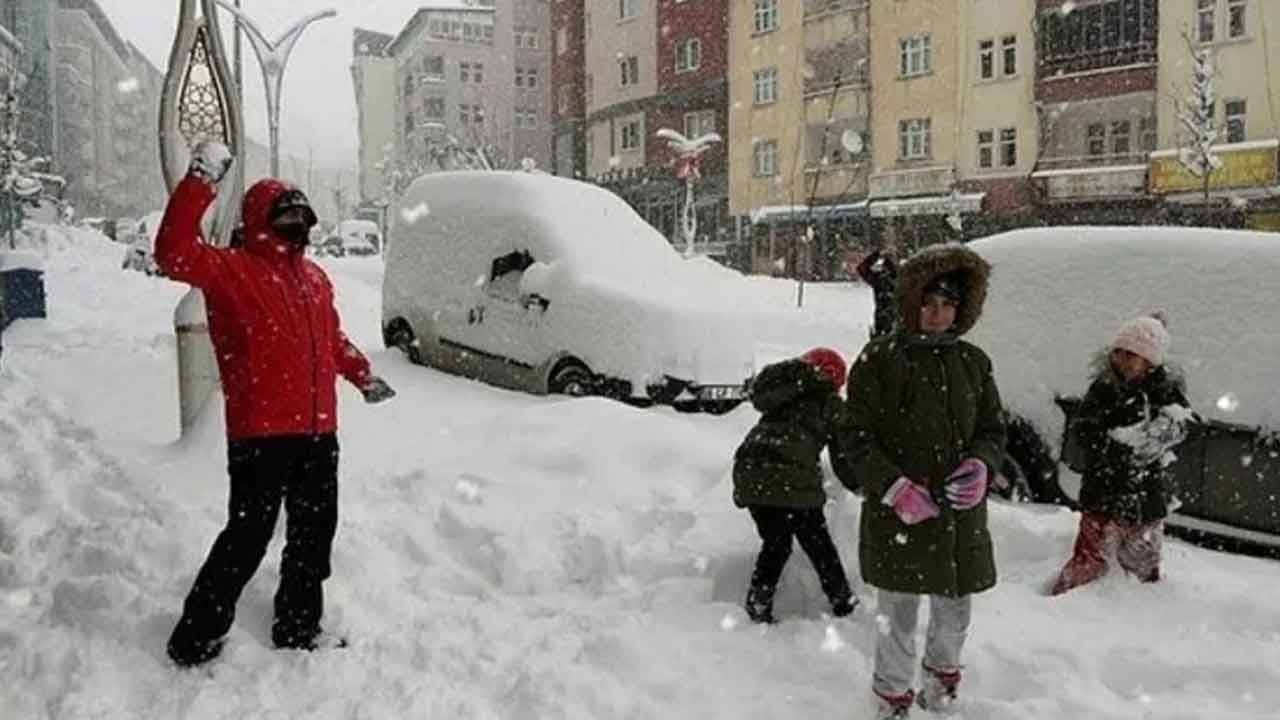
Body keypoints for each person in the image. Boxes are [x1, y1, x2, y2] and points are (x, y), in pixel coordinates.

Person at [156, 141, 397, 668]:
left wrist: (361, 374)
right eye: (284, 216)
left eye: (301, 217)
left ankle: (298, 626)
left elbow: (330, 339)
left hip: (317, 433)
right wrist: (200, 183)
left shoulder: (314, 279)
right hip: (261, 435)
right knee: (247, 538)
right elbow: (172, 253)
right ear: (261, 219)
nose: (296, 226)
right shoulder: (230, 270)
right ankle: (194, 639)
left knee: (313, 538)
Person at [842, 244, 1006, 718]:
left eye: (948, 304)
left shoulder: (974, 362)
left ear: (962, 308)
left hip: (958, 516)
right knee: (898, 612)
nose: (937, 315)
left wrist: (981, 465)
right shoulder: (879, 358)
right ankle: (893, 698)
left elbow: (992, 429)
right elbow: (854, 434)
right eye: (929, 303)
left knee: (955, 611)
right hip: (900, 513)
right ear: (912, 304)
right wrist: (894, 488)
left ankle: (942, 683)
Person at [1049, 313, 1191, 596]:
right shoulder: (1103, 388)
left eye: (1132, 355)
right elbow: (1084, 430)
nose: (1123, 361)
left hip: (1145, 493)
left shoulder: (1164, 391)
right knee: (1091, 551)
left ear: (1150, 362)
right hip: (1103, 487)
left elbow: (1185, 421)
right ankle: (1069, 597)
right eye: (1119, 353)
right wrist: (1117, 445)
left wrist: (1166, 431)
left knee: (1141, 557)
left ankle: (1141, 602)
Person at [732, 347, 858, 624]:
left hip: (750, 472)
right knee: (818, 543)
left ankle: (758, 604)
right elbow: (843, 457)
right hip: (789, 478)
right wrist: (859, 486)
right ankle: (843, 601)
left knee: (776, 543)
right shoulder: (830, 404)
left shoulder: (783, 394)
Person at [855, 247, 898, 339]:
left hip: (884, 319)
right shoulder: (902, 279)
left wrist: (877, 255)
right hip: (894, 320)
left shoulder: (879, 279)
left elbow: (862, 268)